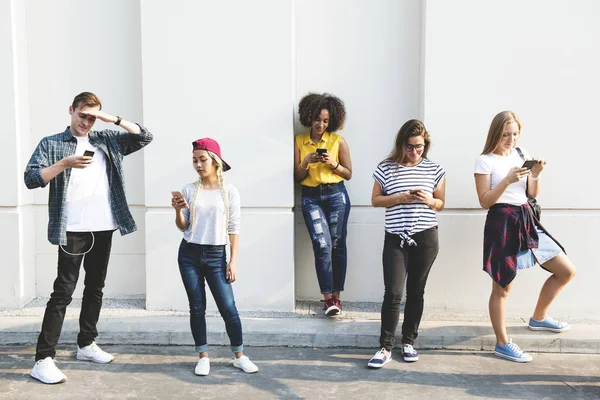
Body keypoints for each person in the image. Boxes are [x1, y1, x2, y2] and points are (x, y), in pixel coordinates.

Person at [24, 92, 153, 384]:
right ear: (71, 110)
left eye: (92, 117)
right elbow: (31, 179)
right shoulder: (52, 143)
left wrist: (113, 120)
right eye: (82, 114)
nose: (86, 121)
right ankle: (43, 359)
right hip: (71, 229)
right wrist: (63, 165)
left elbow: (144, 137)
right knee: (63, 293)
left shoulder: (106, 139)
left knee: (95, 288)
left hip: (104, 226)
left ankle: (86, 344)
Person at [474, 111, 576, 362]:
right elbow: (484, 201)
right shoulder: (484, 160)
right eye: (506, 134)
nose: (511, 139)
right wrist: (507, 180)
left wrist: (536, 174)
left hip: (527, 218)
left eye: (515, 134)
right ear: (496, 134)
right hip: (502, 222)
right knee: (502, 286)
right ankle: (502, 343)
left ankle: (539, 318)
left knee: (565, 270)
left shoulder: (521, 154)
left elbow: (532, 192)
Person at [171, 137, 258, 376]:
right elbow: (183, 226)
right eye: (194, 161)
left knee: (228, 307)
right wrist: (178, 210)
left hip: (216, 254)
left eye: (202, 160)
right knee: (197, 307)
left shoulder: (229, 192)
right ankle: (203, 357)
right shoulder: (189, 190)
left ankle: (239, 355)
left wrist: (233, 260)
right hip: (189, 254)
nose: (198, 165)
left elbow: (234, 227)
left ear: (215, 161)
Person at [367, 119, 446, 367]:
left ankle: (409, 342)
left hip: (426, 236)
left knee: (416, 291)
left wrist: (429, 200)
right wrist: (399, 198)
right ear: (402, 144)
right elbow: (375, 200)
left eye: (420, 147)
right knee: (393, 292)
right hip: (396, 238)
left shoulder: (434, 169)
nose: (415, 152)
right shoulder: (386, 168)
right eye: (410, 147)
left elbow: (441, 204)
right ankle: (385, 347)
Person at [294, 93, 353, 316]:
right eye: (318, 119)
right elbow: (298, 177)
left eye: (326, 121)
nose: (321, 124)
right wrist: (306, 162)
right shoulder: (300, 141)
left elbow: (348, 174)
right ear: (309, 116)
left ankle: (337, 297)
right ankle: (327, 299)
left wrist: (333, 164)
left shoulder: (338, 142)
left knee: (338, 244)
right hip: (311, 197)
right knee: (322, 244)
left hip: (336, 194)